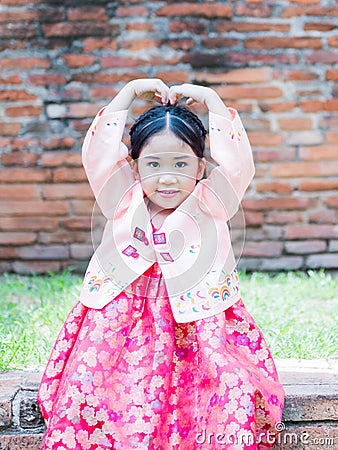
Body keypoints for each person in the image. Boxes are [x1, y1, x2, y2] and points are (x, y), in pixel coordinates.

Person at [38, 79, 284, 449]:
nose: (167, 177)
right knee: (86, 388)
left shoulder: (212, 202)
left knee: (229, 390)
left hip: (200, 328)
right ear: (134, 167)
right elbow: (98, 155)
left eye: (181, 164)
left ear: (201, 166)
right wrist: (129, 92)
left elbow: (238, 166)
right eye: (153, 164)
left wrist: (212, 102)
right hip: (120, 324)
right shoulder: (121, 195)